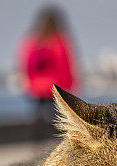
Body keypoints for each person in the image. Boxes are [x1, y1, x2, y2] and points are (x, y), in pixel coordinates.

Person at [18, 6, 79, 141]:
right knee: (57, 119)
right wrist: (70, 86)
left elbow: (26, 63)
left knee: (37, 118)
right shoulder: (59, 41)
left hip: (36, 87)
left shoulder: (33, 40)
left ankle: (36, 146)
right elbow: (66, 65)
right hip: (55, 86)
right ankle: (54, 146)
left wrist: (29, 82)